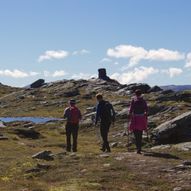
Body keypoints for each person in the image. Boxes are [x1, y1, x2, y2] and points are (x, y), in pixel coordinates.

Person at [128, 89, 148, 154]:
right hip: (141, 118)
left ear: (135, 94)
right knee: (140, 133)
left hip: (135, 118)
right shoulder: (143, 100)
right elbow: (146, 109)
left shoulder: (133, 100)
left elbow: (131, 109)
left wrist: (129, 115)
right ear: (141, 94)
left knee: (135, 133)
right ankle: (139, 148)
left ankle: (138, 148)